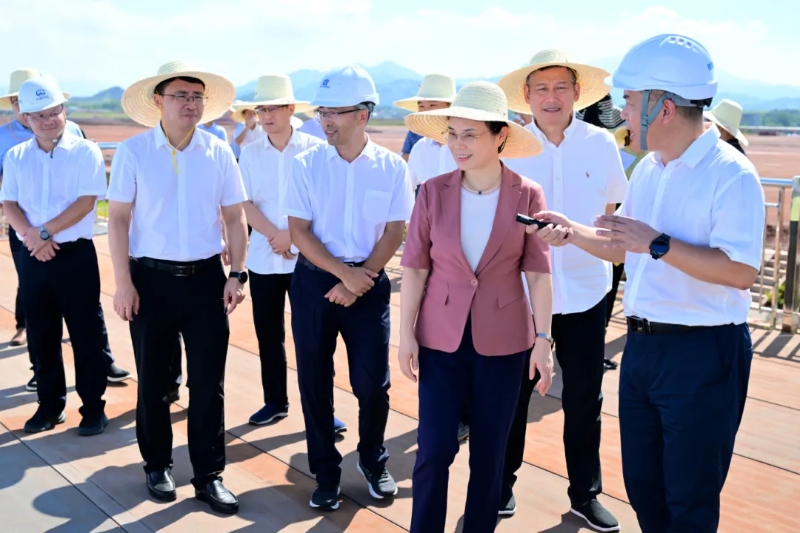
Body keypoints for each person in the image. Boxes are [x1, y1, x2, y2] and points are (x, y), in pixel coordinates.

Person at [534, 33, 764, 532]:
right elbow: (623, 245)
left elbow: (741, 271)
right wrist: (571, 231)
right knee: (645, 489)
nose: (621, 112)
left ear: (664, 107)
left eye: (630, 101)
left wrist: (658, 243)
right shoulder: (650, 170)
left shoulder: (732, 173)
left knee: (689, 500)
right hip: (643, 351)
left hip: (702, 355)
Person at [399, 81, 555, 533]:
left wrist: (543, 341)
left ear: (500, 136)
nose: (458, 145)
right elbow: (415, 268)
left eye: (470, 134)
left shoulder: (528, 194)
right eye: (452, 134)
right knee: (433, 451)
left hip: (505, 343)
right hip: (439, 339)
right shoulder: (432, 191)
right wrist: (405, 334)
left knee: (490, 455)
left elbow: (538, 274)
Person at [107, 61, 247, 515]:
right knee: (152, 382)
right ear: (158, 101)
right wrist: (123, 282)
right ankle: (157, 465)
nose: (190, 104)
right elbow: (119, 220)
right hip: (150, 281)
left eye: (197, 96)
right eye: (180, 95)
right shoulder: (133, 152)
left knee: (208, 383)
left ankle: (209, 475)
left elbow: (235, 217)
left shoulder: (218, 151)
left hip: (206, 281)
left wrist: (238, 272)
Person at [497, 49, 627, 530]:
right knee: (512, 397)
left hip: (587, 290)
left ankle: (584, 496)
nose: (551, 97)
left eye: (560, 87)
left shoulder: (601, 143)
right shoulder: (508, 146)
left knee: (585, 399)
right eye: (541, 88)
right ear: (526, 95)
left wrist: (577, 236)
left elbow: (612, 218)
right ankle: (500, 486)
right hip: (522, 294)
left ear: (577, 93)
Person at [285, 64, 413, 510]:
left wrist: (359, 280)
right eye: (322, 112)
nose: (326, 121)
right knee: (315, 383)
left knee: (373, 385)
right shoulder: (305, 164)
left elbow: (395, 231)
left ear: (363, 114)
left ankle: (373, 461)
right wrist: (343, 274)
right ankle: (325, 473)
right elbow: (299, 231)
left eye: (335, 112)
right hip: (314, 283)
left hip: (368, 283)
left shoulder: (391, 167)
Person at [0, 68, 131, 391]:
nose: (47, 119)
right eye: (38, 114)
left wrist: (42, 233)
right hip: (29, 245)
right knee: (40, 324)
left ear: (63, 109)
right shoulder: (13, 150)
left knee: (85, 325)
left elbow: (87, 200)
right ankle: (47, 396)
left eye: (53, 111)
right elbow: (9, 201)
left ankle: (94, 400)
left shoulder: (81, 146)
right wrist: (32, 237)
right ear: (24, 115)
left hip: (71, 249)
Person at [237, 73, 347, 434]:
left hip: (310, 260)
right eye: (261, 109)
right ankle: (275, 402)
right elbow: (244, 203)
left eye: (274, 108)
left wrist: (293, 238)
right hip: (264, 256)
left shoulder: (317, 150)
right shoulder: (250, 153)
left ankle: (323, 412)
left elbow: (326, 204)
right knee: (269, 335)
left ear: (290, 109)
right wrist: (276, 236)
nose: (267, 115)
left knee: (314, 339)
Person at [394, 74, 458, 195]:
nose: (425, 111)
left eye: (433, 105)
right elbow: (406, 190)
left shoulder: (467, 146)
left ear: (450, 107)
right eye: (421, 106)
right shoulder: (419, 148)